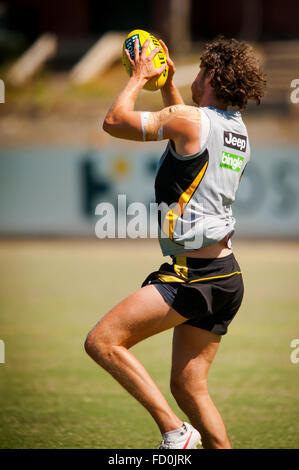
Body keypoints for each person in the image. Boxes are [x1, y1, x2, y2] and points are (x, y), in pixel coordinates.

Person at [85, 35, 266, 449]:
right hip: (226, 276)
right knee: (190, 387)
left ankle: (175, 431)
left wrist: (138, 77)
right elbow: (189, 121)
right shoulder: (237, 131)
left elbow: (114, 121)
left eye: (201, 71)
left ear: (213, 75)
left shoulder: (191, 121)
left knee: (102, 341)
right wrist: (166, 83)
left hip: (192, 275)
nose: (195, 77)